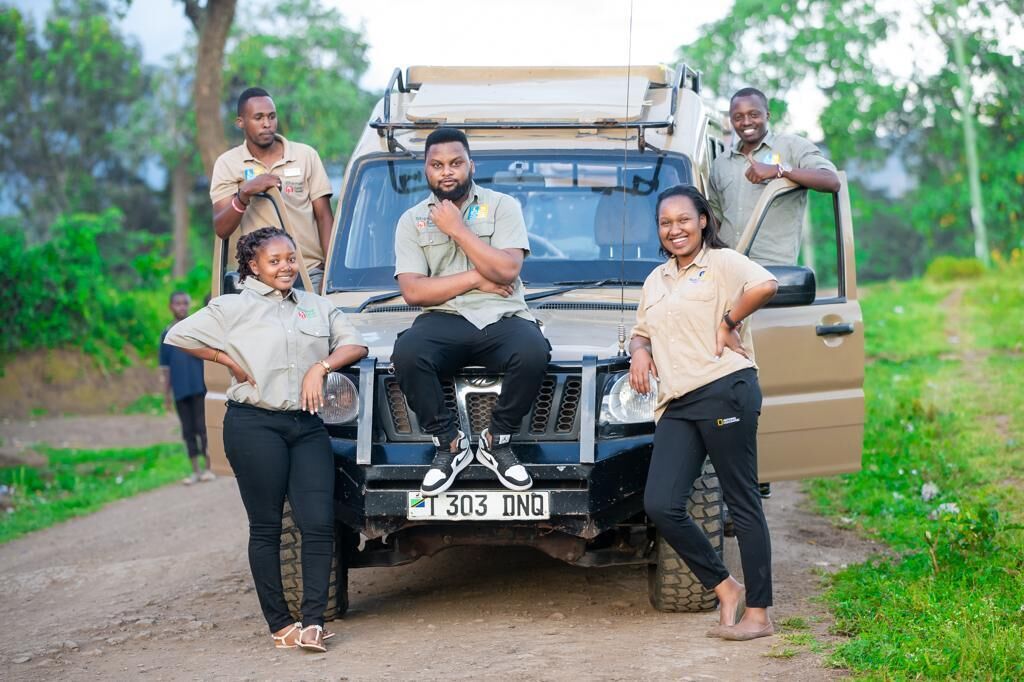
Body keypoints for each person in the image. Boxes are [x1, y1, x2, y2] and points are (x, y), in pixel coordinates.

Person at [165, 227, 367, 652]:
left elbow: (355, 345)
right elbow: (177, 335)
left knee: (317, 522)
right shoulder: (230, 307)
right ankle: (279, 624)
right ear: (253, 266)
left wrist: (321, 367)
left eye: (290, 258)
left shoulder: (315, 307)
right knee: (267, 527)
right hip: (254, 425)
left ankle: (313, 621)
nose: (286, 267)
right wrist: (225, 359)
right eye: (274, 261)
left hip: (307, 427)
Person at [629, 185, 779, 641]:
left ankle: (759, 614)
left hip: (724, 388)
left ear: (703, 222)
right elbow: (641, 331)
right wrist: (639, 352)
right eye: (665, 222)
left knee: (741, 500)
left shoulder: (722, 263)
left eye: (683, 220)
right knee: (660, 502)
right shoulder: (657, 279)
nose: (675, 229)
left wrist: (729, 321)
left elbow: (767, 284)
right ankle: (724, 586)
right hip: (677, 401)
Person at [391, 127, 550, 496]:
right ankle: (449, 443)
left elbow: (509, 271)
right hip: (443, 317)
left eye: (455, 163)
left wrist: (458, 229)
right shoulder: (411, 220)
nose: (447, 171)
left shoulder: (502, 206)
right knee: (408, 353)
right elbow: (414, 291)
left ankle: (497, 439)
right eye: (437, 165)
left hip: (501, 315)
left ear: (470, 165)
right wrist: (479, 278)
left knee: (532, 350)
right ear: (426, 171)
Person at [210, 87, 334, 293]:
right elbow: (222, 229)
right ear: (240, 122)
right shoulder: (228, 163)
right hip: (259, 281)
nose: (267, 124)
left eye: (271, 116)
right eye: (258, 118)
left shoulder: (305, 155)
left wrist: (330, 276)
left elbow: (324, 218)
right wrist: (245, 194)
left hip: (309, 273)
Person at [708, 87, 840, 266]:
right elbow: (714, 220)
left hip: (773, 270)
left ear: (767, 115)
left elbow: (831, 180)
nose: (746, 122)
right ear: (731, 121)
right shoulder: (720, 163)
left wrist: (779, 170)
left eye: (754, 114)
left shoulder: (792, 146)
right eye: (738, 117)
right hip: (728, 267)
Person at [159, 291, 213, 485]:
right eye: (177, 304)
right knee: (187, 431)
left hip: (199, 387)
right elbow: (165, 368)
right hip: (180, 391)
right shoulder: (166, 333)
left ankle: (209, 468)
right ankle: (195, 471)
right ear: (170, 307)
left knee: (203, 428)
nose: (181, 307)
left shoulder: (195, 327)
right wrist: (166, 394)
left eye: (184, 303)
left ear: (189, 305)